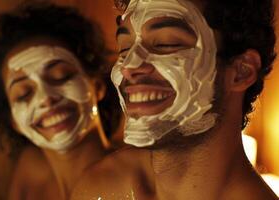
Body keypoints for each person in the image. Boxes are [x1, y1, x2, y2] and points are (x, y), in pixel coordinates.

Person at [71, 0, 278, 199]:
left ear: (241, 72)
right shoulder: (102, 185)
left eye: (165, 44)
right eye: (125, 49)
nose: (129, 67)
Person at [0, 2, 121, 199]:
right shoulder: (32, 171)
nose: (46, 98)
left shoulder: (135, 173)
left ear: (97, 86)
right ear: (14, 121)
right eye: (23, 94)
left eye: (60, 75)